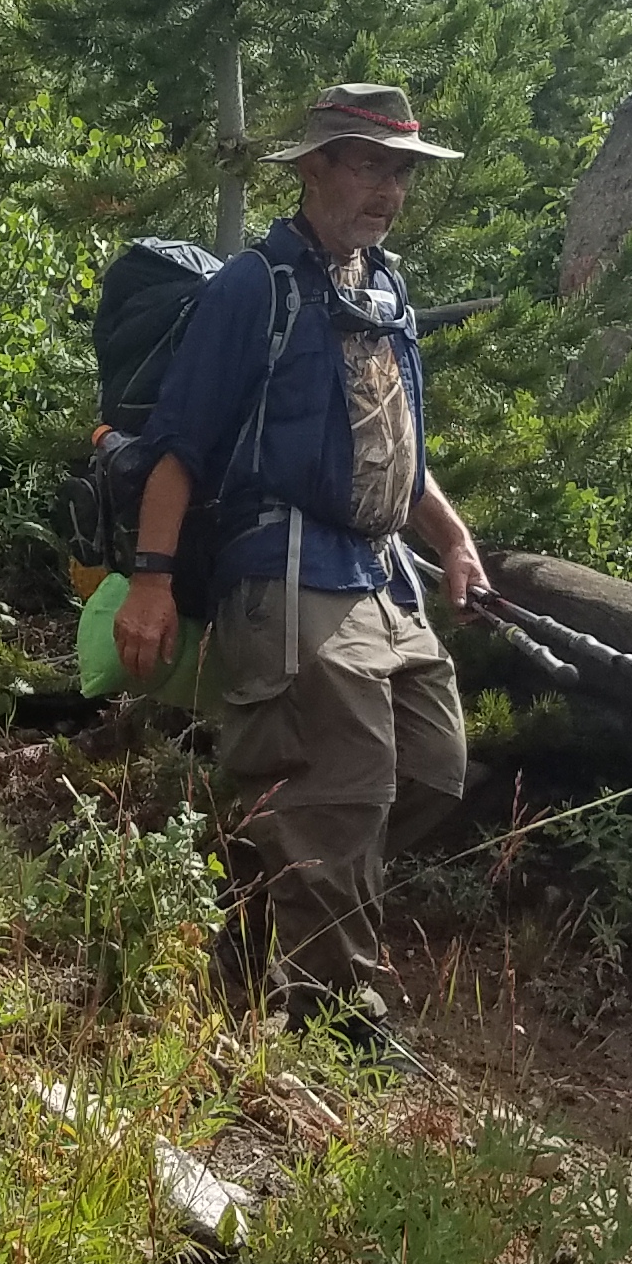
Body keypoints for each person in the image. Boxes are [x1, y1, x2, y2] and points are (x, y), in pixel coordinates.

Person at [115, 83, 491, 1028]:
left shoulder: (386, 288)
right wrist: (152, 585)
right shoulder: (257, 287)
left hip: (379, 571)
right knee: (350, 779)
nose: (388, 190)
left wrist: (452, 540)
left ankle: (246, 899)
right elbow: (180, 446)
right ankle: (332, 1009)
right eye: (369, 165)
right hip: (282, 570)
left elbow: (399, 451)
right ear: (315, 166)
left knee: (434, 768)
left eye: (400, 171)